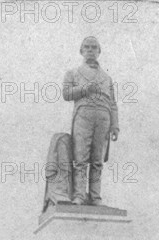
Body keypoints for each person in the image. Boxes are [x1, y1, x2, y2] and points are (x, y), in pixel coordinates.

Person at [63, 37, 119, 206]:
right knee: (80, 157)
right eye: (86, 47)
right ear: (81, 51)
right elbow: (66, 94)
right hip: (83, 114)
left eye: (94, 47)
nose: (90, 50)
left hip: (103, 117)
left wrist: (115, 125)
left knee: (97, 160)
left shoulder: (107, 78)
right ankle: (79, 195)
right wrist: (83, 89)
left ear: (99, 51)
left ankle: (95, 197)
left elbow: (113, 103)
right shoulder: (73, 73)